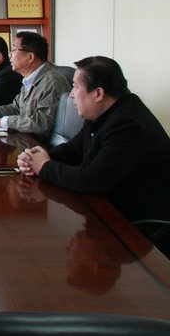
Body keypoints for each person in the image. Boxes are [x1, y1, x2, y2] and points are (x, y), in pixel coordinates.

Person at [17, 56, 170, 236]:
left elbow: (92, 180)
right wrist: (36, 157)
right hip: (110, 208)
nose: (71, 94)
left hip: (137, 226)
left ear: (98, 93)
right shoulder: (105, 112)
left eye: (75, 87)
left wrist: (44, 166)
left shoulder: (127, 125)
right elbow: (74, 149)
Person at [0, 32, 70, 142]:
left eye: (14, 50)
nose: (10, 55)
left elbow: (41, 124)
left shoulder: (51, 81)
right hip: (27, 141)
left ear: (30, 57)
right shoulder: (29, 79)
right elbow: (15, 108)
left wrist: (3, 122)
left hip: (41, 148)